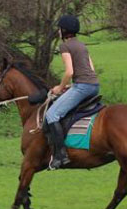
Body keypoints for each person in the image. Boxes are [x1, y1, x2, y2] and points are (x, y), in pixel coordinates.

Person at [43, 15, 100, 170]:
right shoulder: (82, 45)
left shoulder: (65, 46)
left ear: (63, 30)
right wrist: (72, 86)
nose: (58, 31)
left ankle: (61, 155)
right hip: (94, 85)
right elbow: (91, 69)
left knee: (51, 115)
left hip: (82, 86)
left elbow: (69, 72)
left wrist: (60, 88)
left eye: (59, 29)